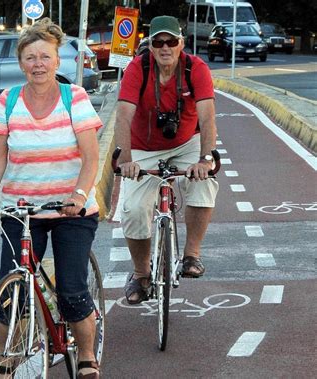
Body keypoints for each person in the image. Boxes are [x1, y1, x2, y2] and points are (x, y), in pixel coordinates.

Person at [0, 18, 102, 378]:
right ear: (21, 62)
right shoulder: (8, 101)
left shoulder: (75, 98)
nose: (38, 64)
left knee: (71, 290)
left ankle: (86, 354)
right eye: (30, 57)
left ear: (57, 60)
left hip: (72, 209)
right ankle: (13, 350)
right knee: (12, 291)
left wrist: (79, 195)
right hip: (21, 209)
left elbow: (92, 156)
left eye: (45, 57)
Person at [114, 15, 219, 304]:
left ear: (180, 43)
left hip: (187, 141)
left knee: (204, 184)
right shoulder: (138, 68)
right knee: (134, 209)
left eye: (170, 41)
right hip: (143, 147)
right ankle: (141, 274)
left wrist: (205, 158)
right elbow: (123, 115)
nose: (164, 48)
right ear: (149, 46)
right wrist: (125, 160)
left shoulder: (195, 68)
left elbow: (208, 117)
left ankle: (191, 255)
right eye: (157, 42)